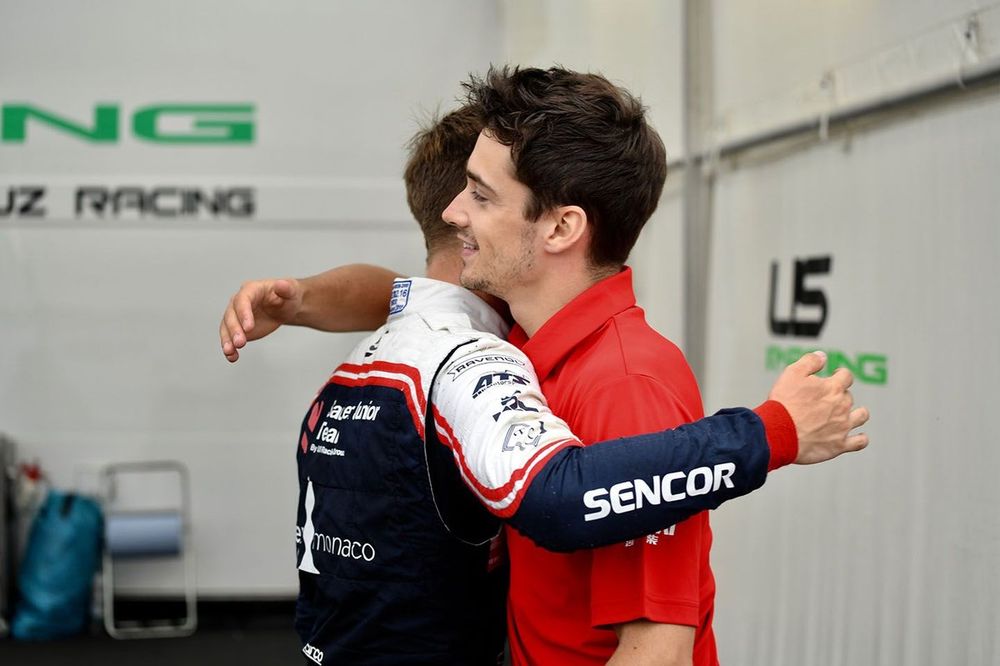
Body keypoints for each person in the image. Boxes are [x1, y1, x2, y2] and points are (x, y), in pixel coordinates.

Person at [221, 93, 868, 665]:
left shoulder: (625, 382)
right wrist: (300, 299)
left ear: (561, 226)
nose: (455, 212)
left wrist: (771, 432)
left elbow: (657, 651)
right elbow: (415, 298)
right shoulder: (512, 340)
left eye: (479, 195)